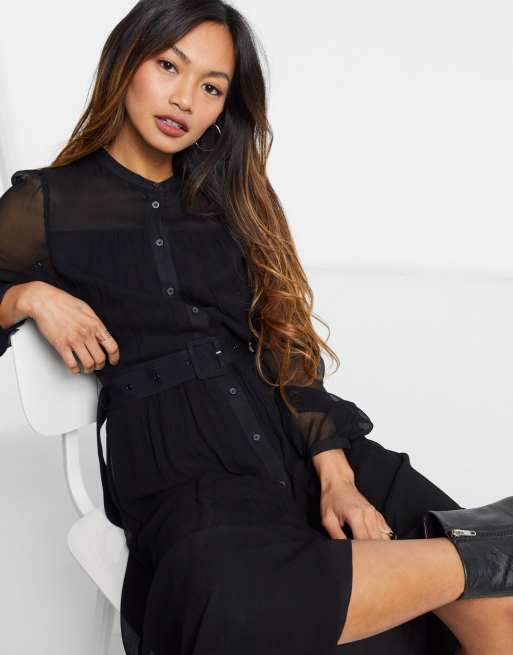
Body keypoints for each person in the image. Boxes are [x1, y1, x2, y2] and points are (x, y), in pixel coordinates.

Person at [1, 2, 513, 654]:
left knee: (495, 611)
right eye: (169, 67)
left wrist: (336, 475)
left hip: (296, 441)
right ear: (126, 61)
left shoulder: (230, 199)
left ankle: (480, 558)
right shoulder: (48, 203)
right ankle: (488, 549)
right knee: (229, 601)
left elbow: (284, 342)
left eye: (211, 87)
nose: (185, 99)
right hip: (181, 470)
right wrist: (26, 295)